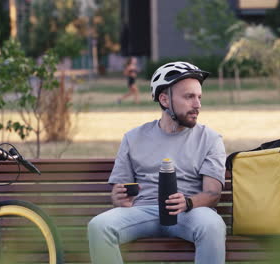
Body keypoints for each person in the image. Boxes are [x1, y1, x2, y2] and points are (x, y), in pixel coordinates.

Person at [88, 61, 227, 264]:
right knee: (98, 226)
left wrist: (188, 202)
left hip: (189, 212)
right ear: (164, 99)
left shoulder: (210, 139)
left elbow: (213, 194)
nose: (197, 105)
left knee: (212, 225)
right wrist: (118, 198)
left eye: (199, 97)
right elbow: (120, 193)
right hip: (143, 210)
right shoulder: (133, 137)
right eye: (189, 97)